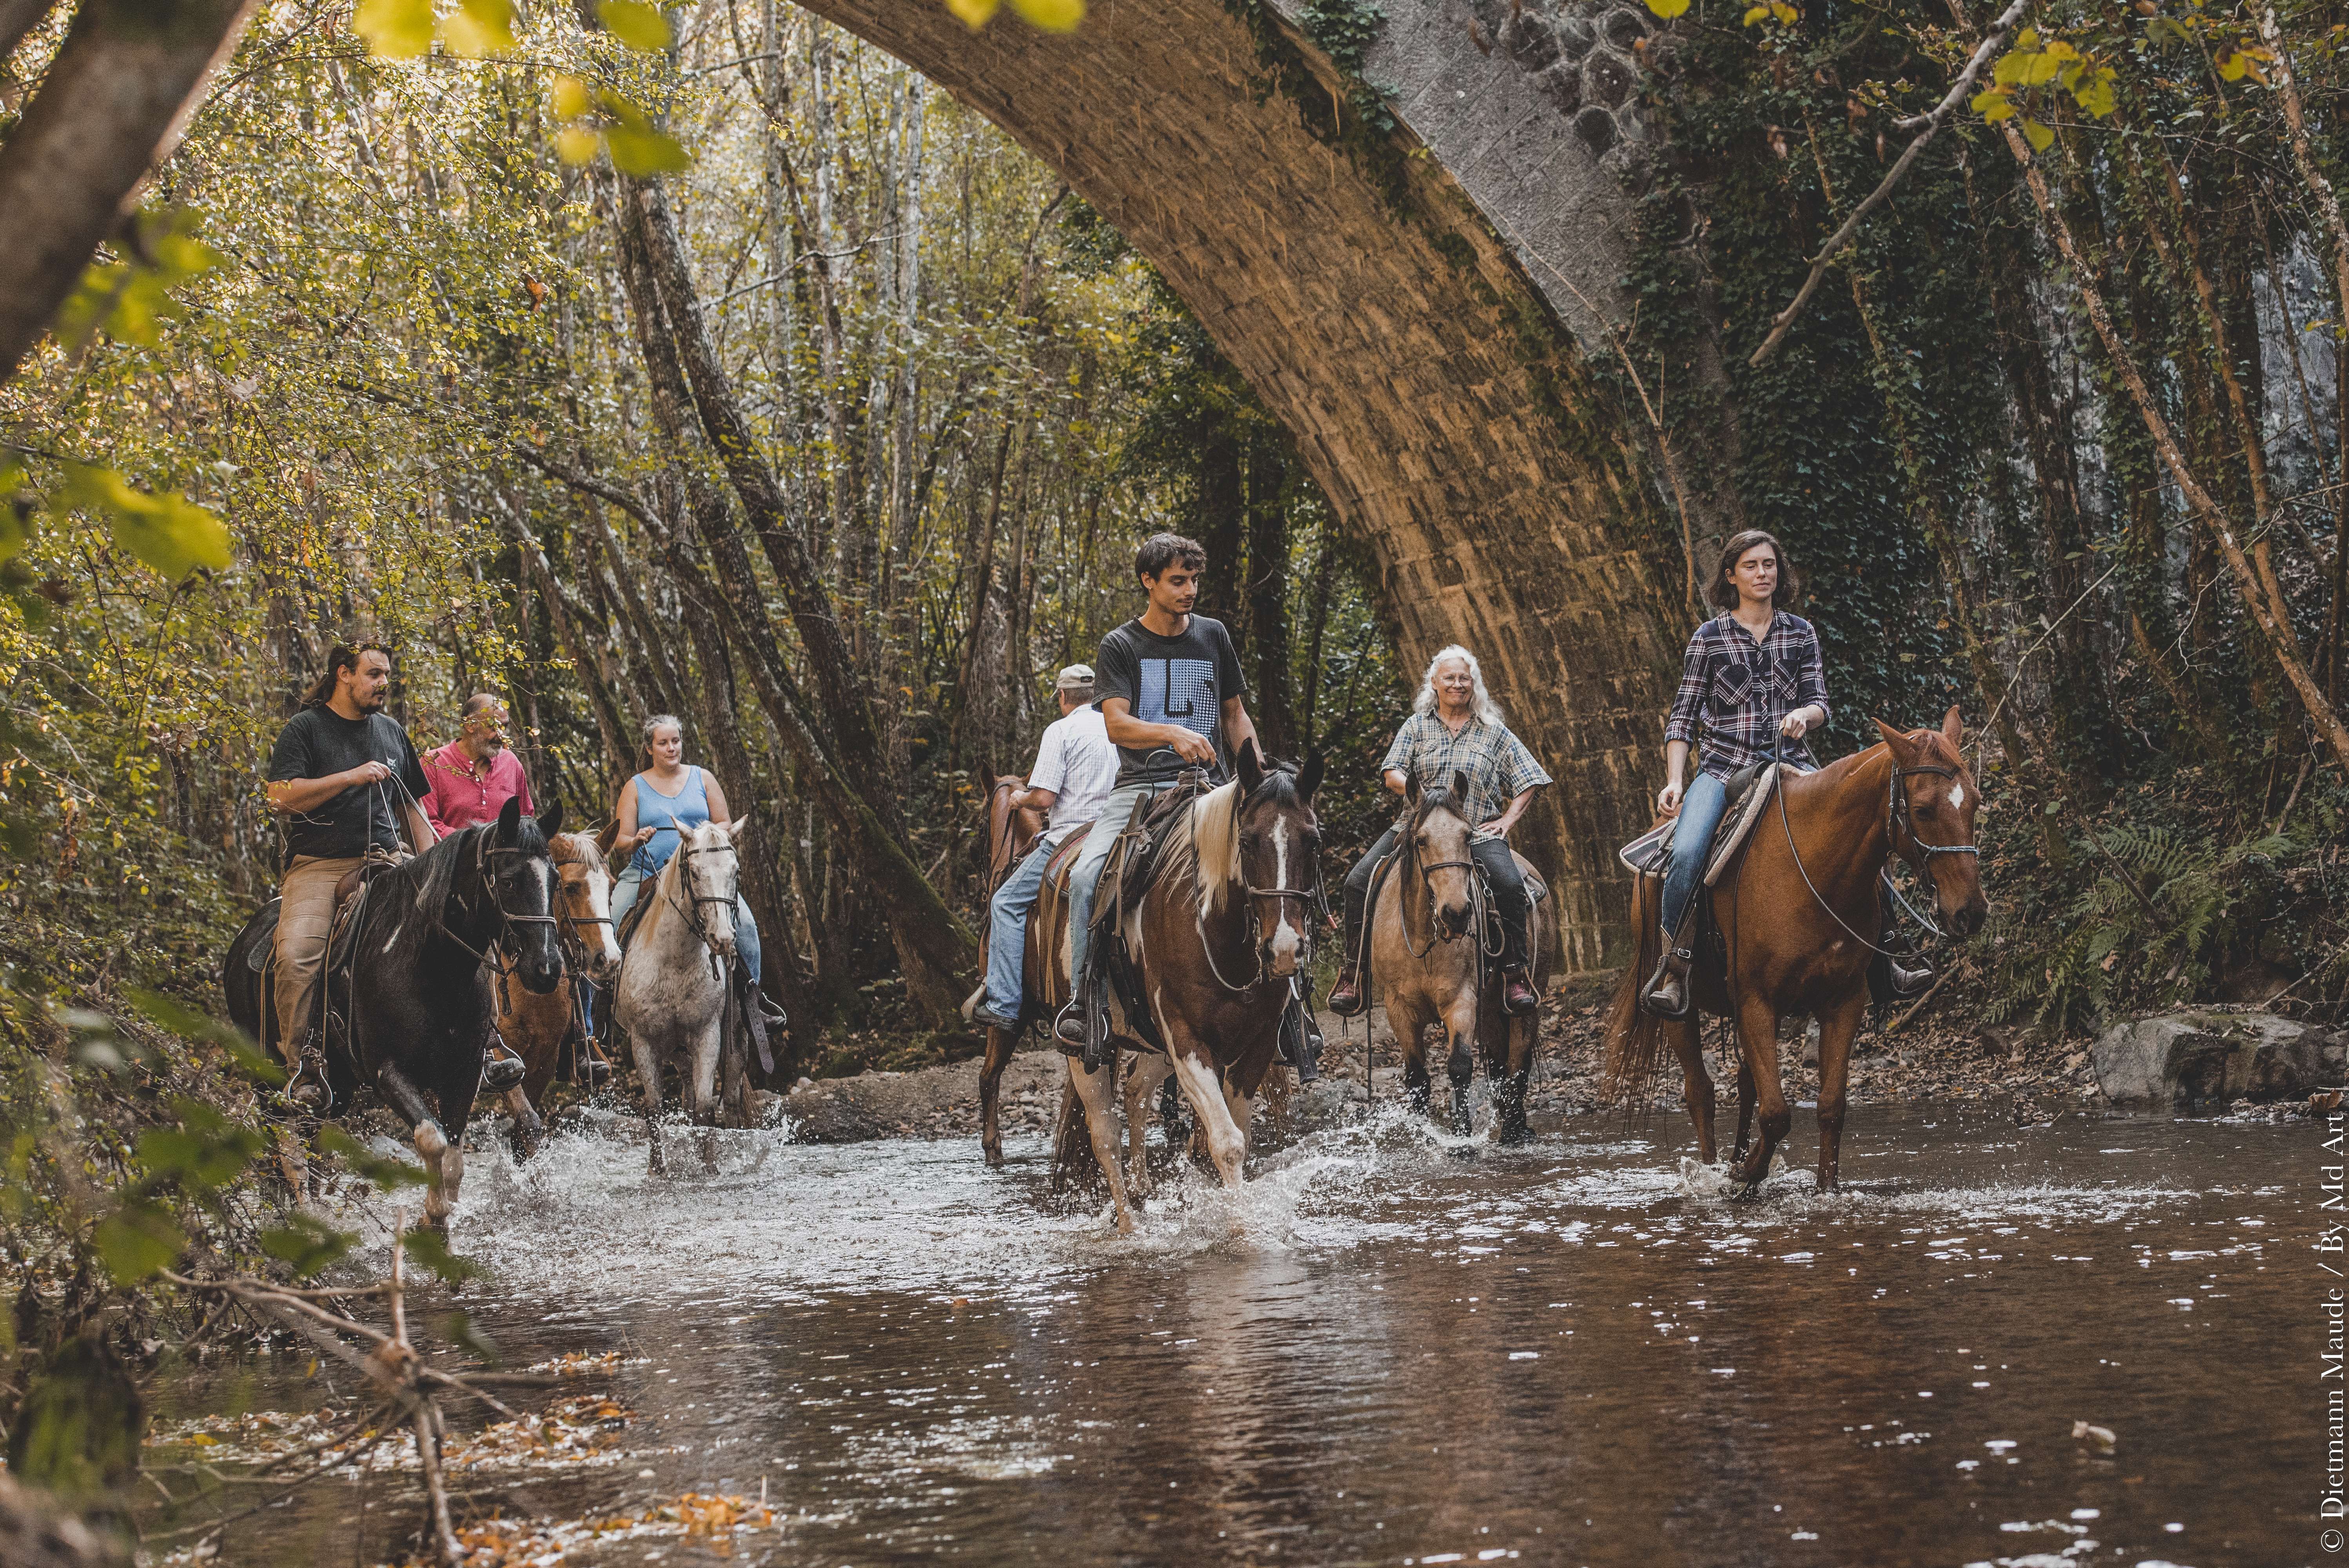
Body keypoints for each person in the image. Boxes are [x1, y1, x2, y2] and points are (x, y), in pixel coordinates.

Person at [1640, 529, 1932, 1018]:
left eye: (1770, 565)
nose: (1762, 573)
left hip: (1791, 764)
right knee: (1688, 851)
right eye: (1751, 566)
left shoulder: (1801, 632)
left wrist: (1806, 716)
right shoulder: (1708, 638)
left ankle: (1890, 956)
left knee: (1865, 836)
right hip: (1722, 767)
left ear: (1780, 572)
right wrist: (1674, 780)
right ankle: (1676, 967)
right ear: (1731, 575)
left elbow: (1819, 701)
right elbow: (1682, 717)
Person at [1055, 533, 1259, 1049]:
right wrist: (1173, 733)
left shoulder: (1213, 636)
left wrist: (1257, 773)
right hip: (1141, 788)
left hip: (1209, 788)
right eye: (1177, 581)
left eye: (1194, 580)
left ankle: (1288, 1007)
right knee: (1084, 878)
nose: (1189, 590)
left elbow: (1234, 714)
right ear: (1149, 582)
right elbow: (1118, 726)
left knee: (1275, 857)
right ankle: (1086, 1001)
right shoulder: (1121, 645)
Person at [1327, 645, 1549, 1019]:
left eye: (1465, 678)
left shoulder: (1493, 732)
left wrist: (1507, 821)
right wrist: (1418, 792)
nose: (1457, 684)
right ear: (1434, 683)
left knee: (1511, 886)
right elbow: (1392, 771)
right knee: (1357, 882)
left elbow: (1531, 779)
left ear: (1473, 684)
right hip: (1416, 830)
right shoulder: (1416, 727)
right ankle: (1355, 973)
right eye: (1450, 678)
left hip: (1476, 831)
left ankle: (1515, 974)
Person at [265, 643, 436, 1108]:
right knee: (298, 955)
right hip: (320, 864)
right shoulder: (306, 728)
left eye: (386, 676)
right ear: (343, 674)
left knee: (457, 927)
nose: (383, 684)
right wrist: (348, 777)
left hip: (388, 858)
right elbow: (279, 798)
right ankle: (300, 1067)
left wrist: (435, 865)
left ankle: (487, 1044)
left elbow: (412, 807)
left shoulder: (393, 732)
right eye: (374, 674)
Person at [967, 665, 1120, 1031]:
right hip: (1119, 836)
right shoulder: (1121, 726)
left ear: (1064, 698)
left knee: (1005, 903)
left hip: (1073, 838)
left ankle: (1004, 1003)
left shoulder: (1061, 731)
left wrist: (1020, 799)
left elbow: (1045, 798)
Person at [609, 715, 785, 1029]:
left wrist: (701, 834)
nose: (671, 748)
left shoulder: (703, 778)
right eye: (663, 743)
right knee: (610, 922)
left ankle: (753, 1000)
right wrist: (635, 840)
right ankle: (601, 1008)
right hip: (647, 872)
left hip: (702, 876)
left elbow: (724, 824)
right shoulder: (634, 787)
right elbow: (620, 840)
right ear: (650, 748)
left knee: (745, 925)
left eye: (675, 741)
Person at [421, 693, 535, 836]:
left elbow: (526, 819)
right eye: (493, 727)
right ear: (470, 725)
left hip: (504, 858)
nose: (501, 735)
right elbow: (426, 824)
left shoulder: (511, 763)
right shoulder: (434, 762)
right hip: (451, 857)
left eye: (504, 727)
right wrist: (472, 844)